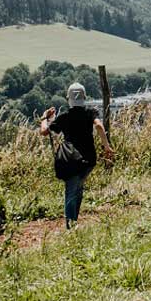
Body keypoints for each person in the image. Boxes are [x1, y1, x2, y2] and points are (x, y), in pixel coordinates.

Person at [39, 83, 114, 229]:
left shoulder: (64, 117)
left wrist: (44, 118)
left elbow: (44, 132)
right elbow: (99, 126)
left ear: (68, 99)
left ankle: (70, 227)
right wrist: (106, 146)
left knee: (71, 191)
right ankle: (73, 222)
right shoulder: (91, 113)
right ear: (84, 97)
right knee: (78, 188)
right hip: (89, 160)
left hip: (71, 159)